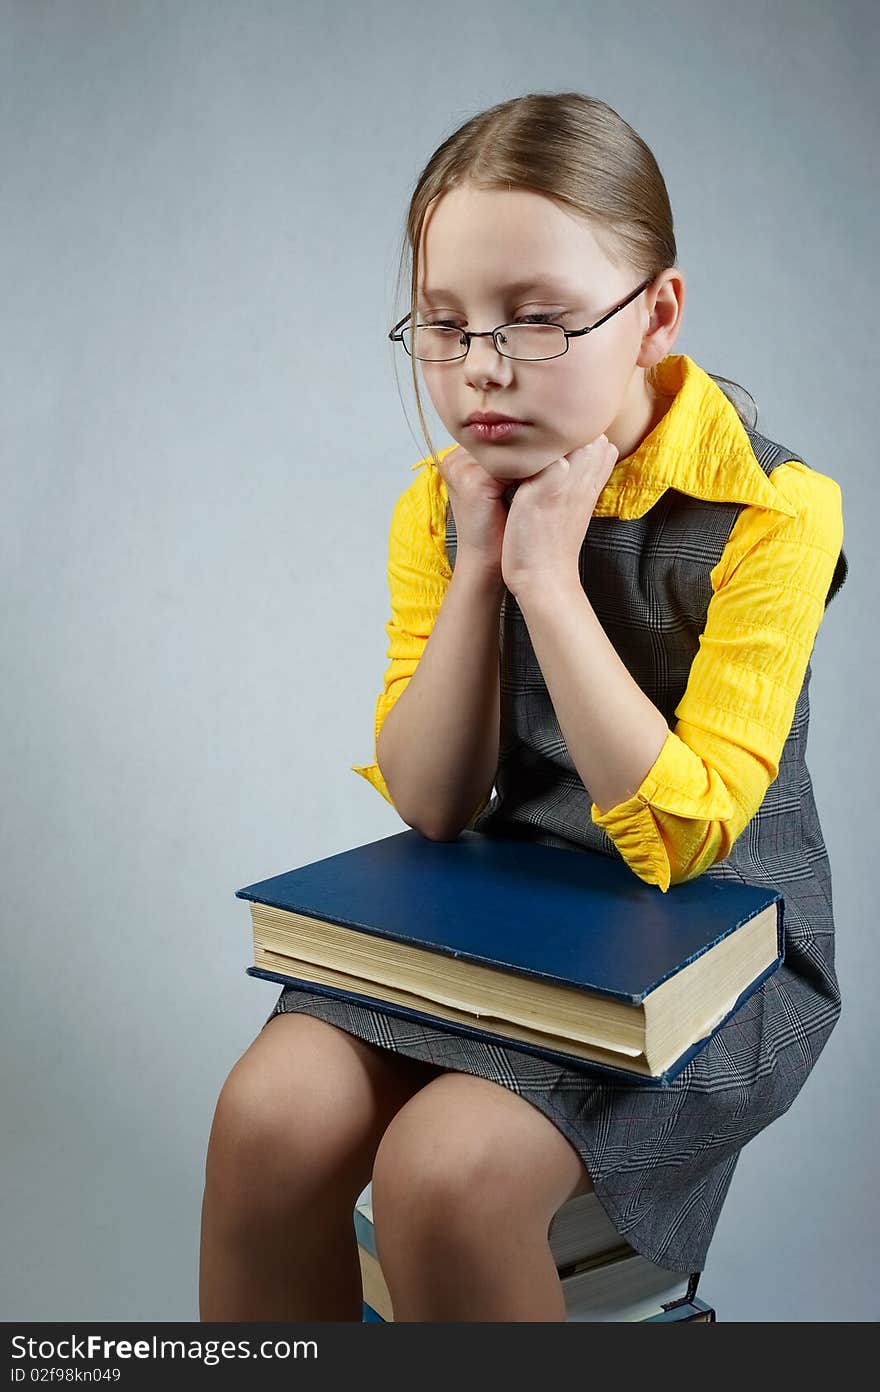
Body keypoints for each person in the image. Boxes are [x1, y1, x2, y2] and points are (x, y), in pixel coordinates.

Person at [199, 91, 848, 1323]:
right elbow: (436, 806)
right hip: (502, 908)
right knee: (266, 1120)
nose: (481, 370)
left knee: (446, 1174)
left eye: (538, 320)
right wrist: (481, 565)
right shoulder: (437, 501)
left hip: (717, 937)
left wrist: (552, 580)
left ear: (655, 312)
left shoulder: (774, 510)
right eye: (444, 327)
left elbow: (682, 838)